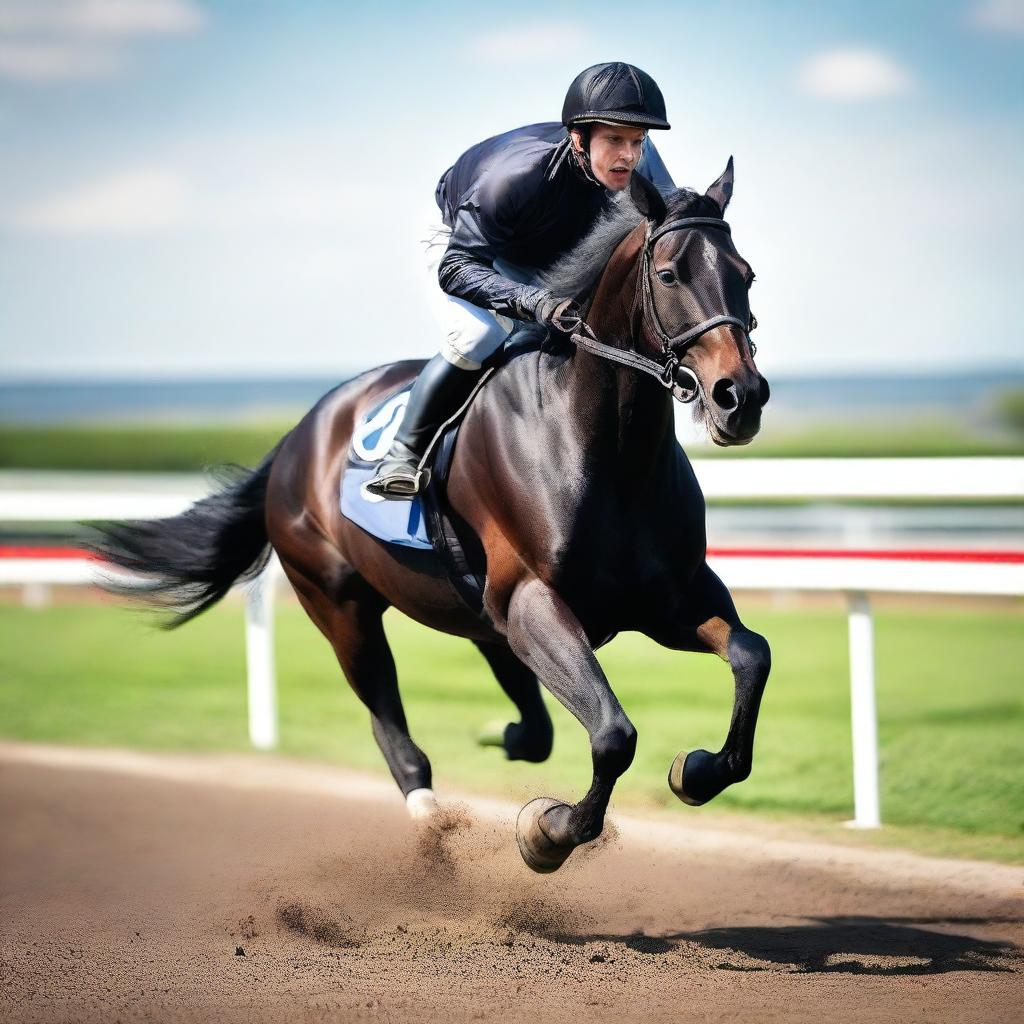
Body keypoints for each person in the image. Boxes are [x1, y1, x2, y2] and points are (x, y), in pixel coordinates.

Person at [365, 61, 674, 499]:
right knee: (479, 334)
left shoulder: (642, 166)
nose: (628, 155)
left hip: (550, 247)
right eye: (614, 140)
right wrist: (535, 303)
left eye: (637, 141)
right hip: (470, 246)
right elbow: (457, 269)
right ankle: (404, 454)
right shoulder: (512, 180)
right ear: (579, 139)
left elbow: (668, 232)